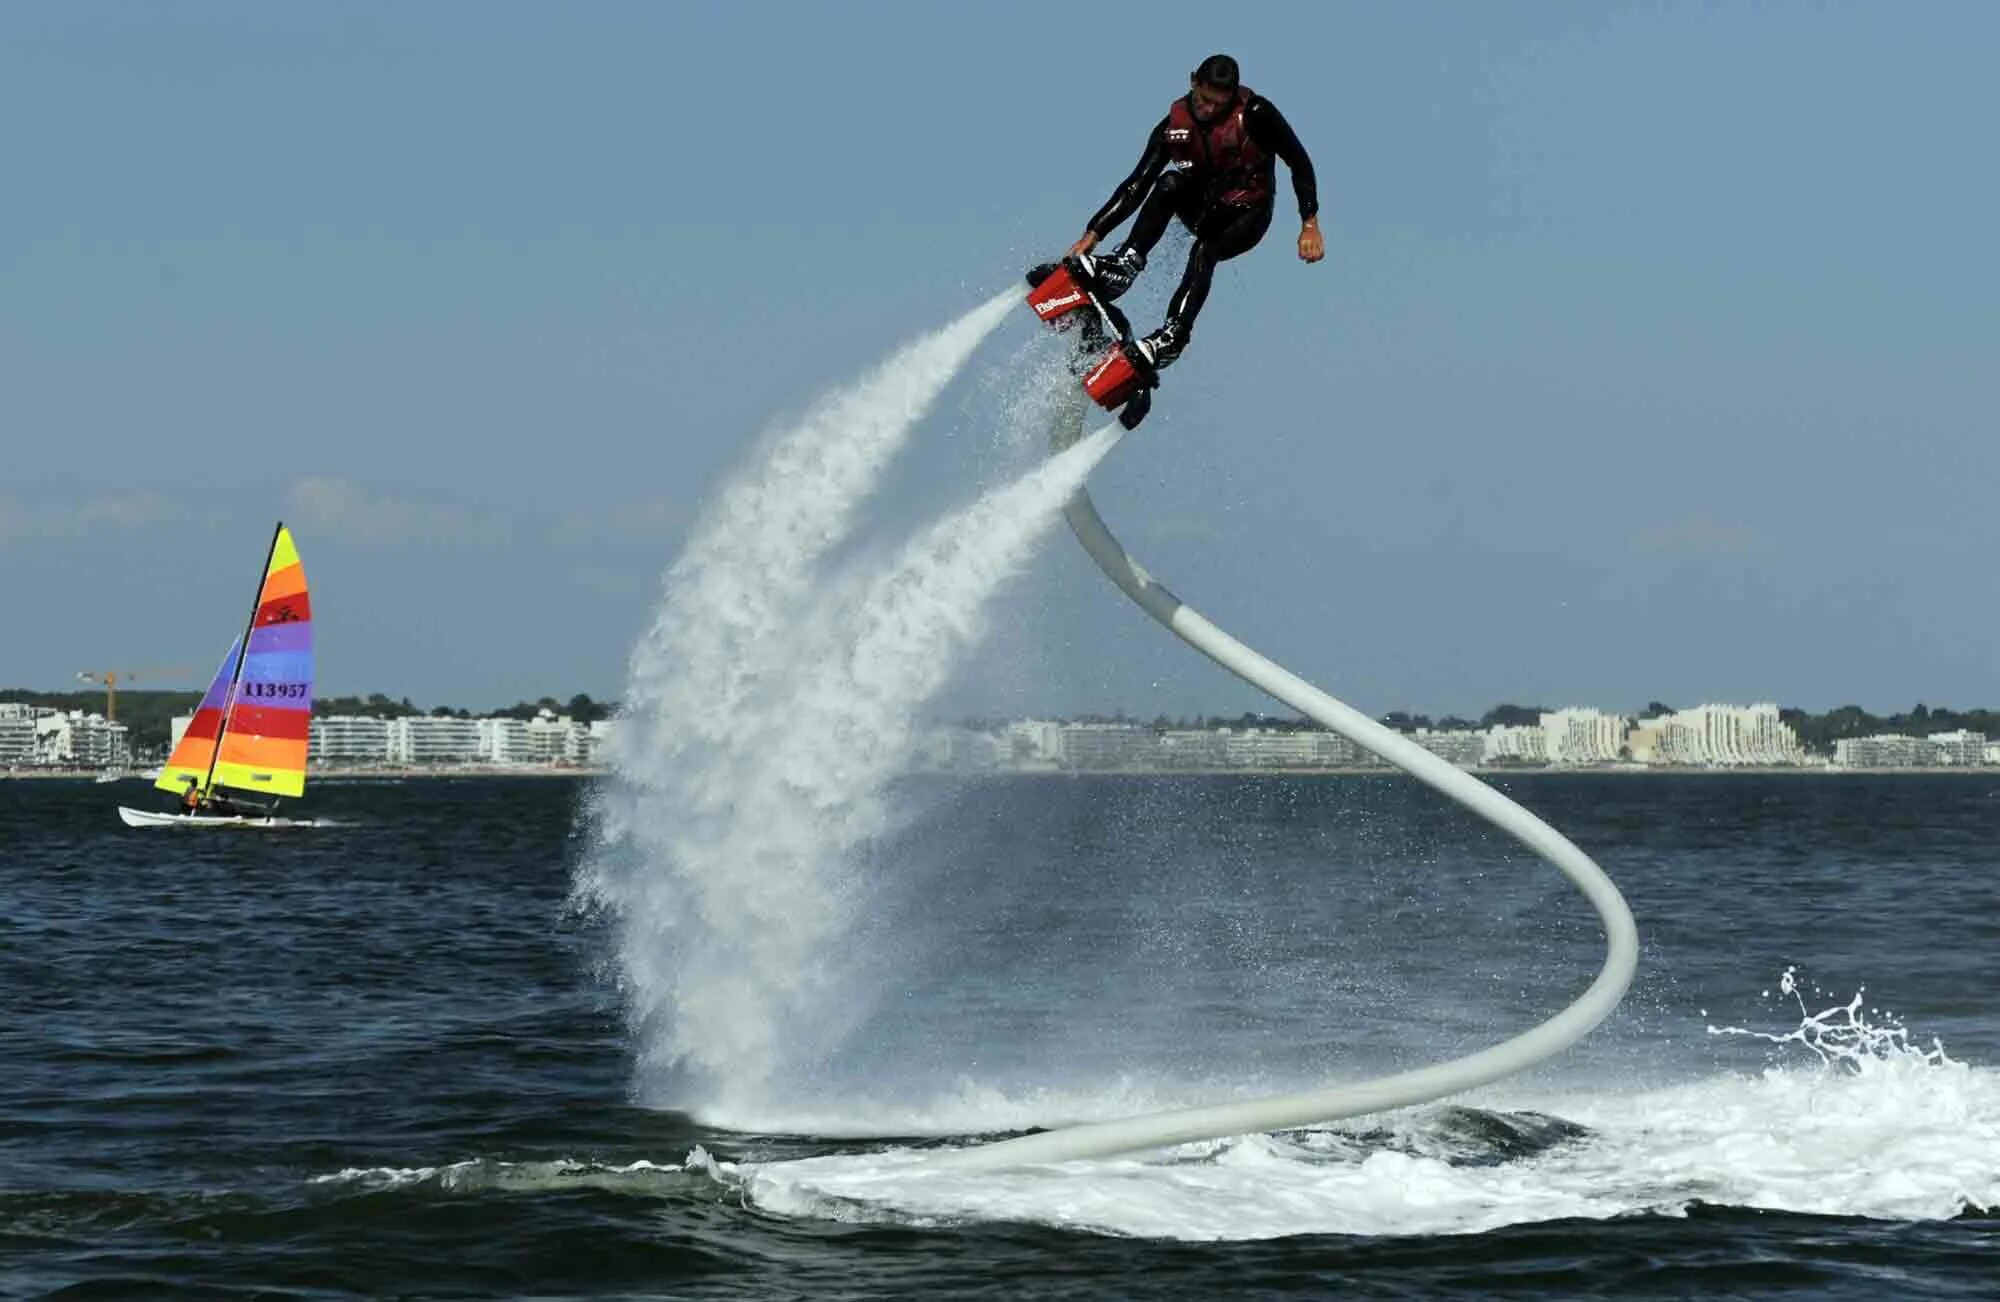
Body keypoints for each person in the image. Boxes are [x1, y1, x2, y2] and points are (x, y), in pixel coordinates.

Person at [1065, 54, 1321, 370]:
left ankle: (1174, 335)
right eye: (1204, 100)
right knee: (1169, 182)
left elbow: (1299, 161)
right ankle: (1125, 266)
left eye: (1219, 104)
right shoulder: (1173, 125)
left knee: (1206, 247)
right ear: (1193, 82)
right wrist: (1094, 233)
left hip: (1247, 215)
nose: (1209, 110)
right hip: (1202, 208)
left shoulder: (1256, 114)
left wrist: (1309, 222)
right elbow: (1137, 183)